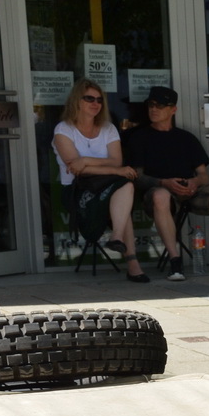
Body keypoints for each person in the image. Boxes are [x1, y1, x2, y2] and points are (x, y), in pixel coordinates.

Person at [122, 86, 209, 280]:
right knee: (160, 195)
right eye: (151, 105)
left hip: (190, 191)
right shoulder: (139, 137)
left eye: (160, 105)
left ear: (173, 109)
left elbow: (203, 175)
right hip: (159, 192)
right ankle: (175, 261)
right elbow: (137, 177)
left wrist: (193, 182)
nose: (154, 109)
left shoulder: (186, 138)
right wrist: (164, 182)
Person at [51, 80, 147, 283]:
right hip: (77, 189)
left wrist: (84, 159)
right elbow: (76, 170)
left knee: (125, 189)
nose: (95, 103)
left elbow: (116, 160)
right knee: (124, 195)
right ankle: (130, 259)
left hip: (108, 185)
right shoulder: (63, 129)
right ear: (77, 100)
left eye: (99, 100)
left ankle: (118, 240)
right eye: (89, 98)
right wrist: (116, 171)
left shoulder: (108, 128)